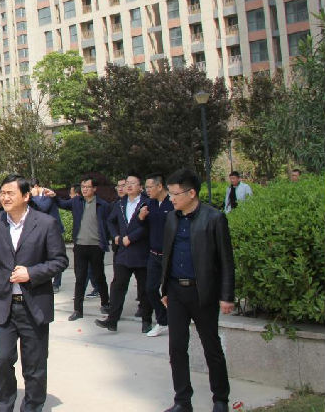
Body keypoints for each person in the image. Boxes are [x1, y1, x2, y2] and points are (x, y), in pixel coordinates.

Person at [0, 175, 69, 412]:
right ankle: (4, 406)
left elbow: (60, 261)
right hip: (3, 305)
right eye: (3, 193)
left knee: (34, 365)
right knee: (2, 359)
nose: (5, 198)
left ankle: (32, 407)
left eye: (10, 193)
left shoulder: (46, 223)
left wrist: (32, 273)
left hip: (34, 305)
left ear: (26, 196)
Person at [161, 168, 235, 412]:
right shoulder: (172, 218)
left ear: (191, 193)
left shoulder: (214, 218)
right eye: (170, 194)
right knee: (176, 348)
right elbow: (167, 255)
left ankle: (220, 399)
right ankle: (182, 401)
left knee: (211, 347)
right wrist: (164, 289)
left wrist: (226, 296)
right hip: (176, 292)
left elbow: (226, 261)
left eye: (175, 194)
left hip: (203, 292)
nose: (171, 199)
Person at [96, 174, 153, 333]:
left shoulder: (147, 203)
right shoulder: (120, 204)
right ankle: (112, 320)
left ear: (140, 187)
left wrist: (130, 238)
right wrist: (116, 236)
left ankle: (146, 321)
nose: (128, 186)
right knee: (118, 286)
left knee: (144, 288)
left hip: (141, 251)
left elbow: (148, 226)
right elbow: (110, 221)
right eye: (127, 183)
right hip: (123, 252)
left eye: (133, 183)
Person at [55, 176, 111, 321]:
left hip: (96, 246)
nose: (84, 189)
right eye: (83, 187)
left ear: (94, 189)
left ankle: (105, 303)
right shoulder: (76, 202)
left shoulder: (102, 205)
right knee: (80, 278)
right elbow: (61, 203)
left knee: (99, 276)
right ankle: (77, 310)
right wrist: (53, 196)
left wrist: (106, 239)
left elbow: (109, 223)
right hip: (80, 246)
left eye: (87, 187)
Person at [141, 173, 174, 337]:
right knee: (151, 288)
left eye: (149, 187)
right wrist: (141, 218)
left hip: (170, 255)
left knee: (172, 291)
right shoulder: (149, 204)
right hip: (154, 254)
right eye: (146, 187)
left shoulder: (173, 203)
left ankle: (176, 320)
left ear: (160, 186)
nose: (147, 190)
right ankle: (163, 320)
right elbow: (143, 227)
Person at [28, 180, 65, 293]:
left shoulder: (48, 193)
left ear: (35, 186)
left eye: (30, 189)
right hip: (41, 230)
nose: (30, 192)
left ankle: (56, 283)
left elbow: (44, 207)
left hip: (54, 230)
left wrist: (34, 197)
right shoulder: (33, 198)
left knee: (56, 257)